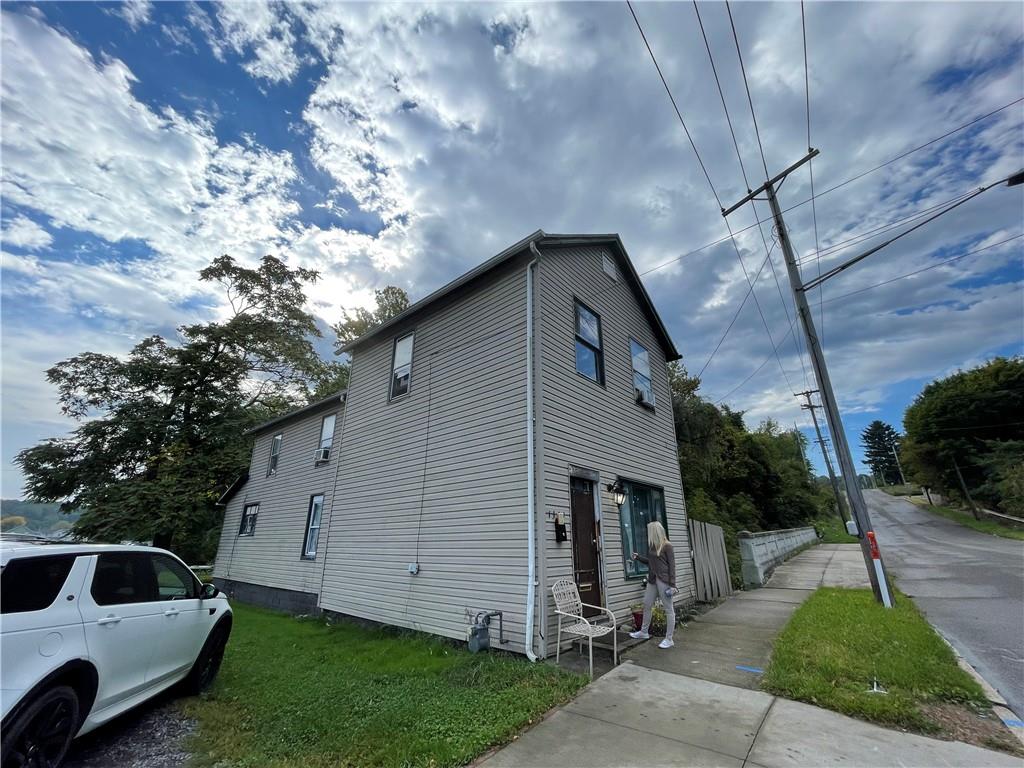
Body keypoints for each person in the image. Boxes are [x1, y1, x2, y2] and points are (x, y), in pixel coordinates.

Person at [629, 521, 677, 648]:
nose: (647, 533)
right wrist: (638, 557)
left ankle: (669, 639)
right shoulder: (652, 547)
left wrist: (672, 585)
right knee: (647, 604)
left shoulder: (667, 546)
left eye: (649, 531)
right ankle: (644, 632)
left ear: (654, 532)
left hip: (664, 581)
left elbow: (672, 567)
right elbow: (651, 562)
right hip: (652, 580)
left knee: (668, 609)